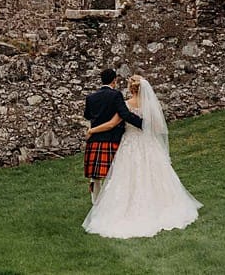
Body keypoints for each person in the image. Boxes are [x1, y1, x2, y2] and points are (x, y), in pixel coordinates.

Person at [82, 75, 202, 239]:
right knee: (155, 174)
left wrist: (91, 130)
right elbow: (159, 127)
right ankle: (161, 206)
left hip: (130, 143)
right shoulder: (151, 105)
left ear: (130, 88)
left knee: (127, 175)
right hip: (148, 143)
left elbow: (111, 124)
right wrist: (146, 127)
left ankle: (117, 207)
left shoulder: (126, 105)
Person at [83, 69, 143, 203]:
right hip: (111, 139)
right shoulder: (116, 95)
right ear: (114, 80)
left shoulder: (90, 97)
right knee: (113, 175)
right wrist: (143, 124)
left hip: (95, 139)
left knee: (95, 177)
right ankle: (111, 202)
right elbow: (125, 114)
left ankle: (96, 204)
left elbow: (87, 115)